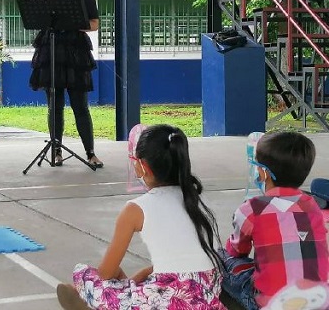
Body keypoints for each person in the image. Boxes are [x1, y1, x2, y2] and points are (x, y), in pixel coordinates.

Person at [57, 124, 226, 309]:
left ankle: (107, 302)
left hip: (168, 301)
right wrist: (138, 278)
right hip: (206, 293)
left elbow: (105, 272)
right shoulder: (196, 199)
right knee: (143, 281)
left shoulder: (135, 209)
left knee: (83, 273)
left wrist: (129, 281)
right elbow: (182, 262)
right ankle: (130, 293)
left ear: (142, 166)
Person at [220, 132, 328, 309]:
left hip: (272, 304)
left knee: (221, 258)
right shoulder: (312, 205)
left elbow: (238, 250)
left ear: (263, 173)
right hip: (318, 301)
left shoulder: (251, 209)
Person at [29, 0, 103, 168]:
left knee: (80, 105)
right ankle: (57, 151)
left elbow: (95, 23)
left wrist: (74, 24)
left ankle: (90, 153)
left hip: (74, 53)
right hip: (50, 50)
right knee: (55, 105)